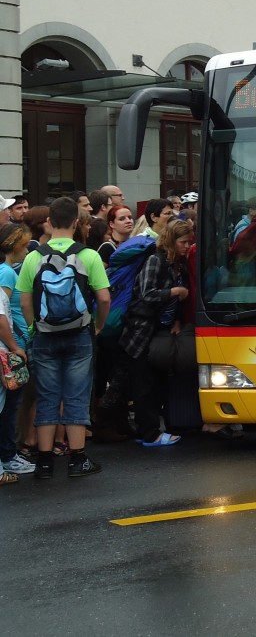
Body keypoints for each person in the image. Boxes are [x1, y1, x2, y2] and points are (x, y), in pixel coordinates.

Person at [17, 196, 110, 478]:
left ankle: (44, 462)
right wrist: (97, 325)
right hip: (79, 333)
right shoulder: (88, 255)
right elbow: (104, 298)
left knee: (47, 396)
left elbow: (24, 302)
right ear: (76, 222)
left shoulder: (34, 257)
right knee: (76, 395)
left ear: (48, 222)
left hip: (45, 335)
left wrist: (35, 327)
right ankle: (77, 459)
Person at [117, 218, 194, 447]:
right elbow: (146, 294)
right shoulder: (155, 260)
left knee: (155, 380)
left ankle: (149, 430)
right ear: (171, 240)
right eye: (183, 242)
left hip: (159, 329)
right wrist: (175, 291)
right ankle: (148, 433)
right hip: (140, 331)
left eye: (189, 242)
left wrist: (177, 319)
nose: (187, 246)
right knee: (143, 384)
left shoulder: (177, 263)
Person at [0, 223, 34, 479]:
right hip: (10, 347)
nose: (27, 251)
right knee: (8, 405)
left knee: (11, 405)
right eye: (24, 246)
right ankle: (7, 457)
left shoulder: (8, 270)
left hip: (13, 344)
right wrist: (15, 346)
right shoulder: (7, 273)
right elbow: (3, 315)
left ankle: (9, 454)